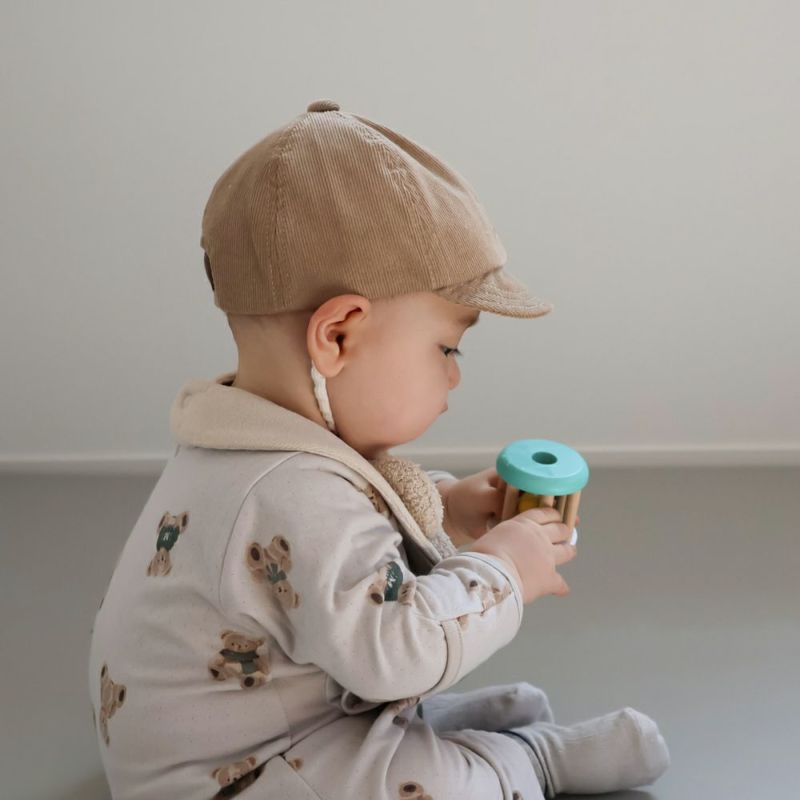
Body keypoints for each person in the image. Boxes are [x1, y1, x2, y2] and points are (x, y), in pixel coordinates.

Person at [88, 99, 670, 799]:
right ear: (337, 336)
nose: (455, 373)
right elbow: (398, 650)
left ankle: (443, 737)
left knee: (357, 711)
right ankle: (531, 761)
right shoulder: (290, 494)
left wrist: (444, 508)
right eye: (447, 347)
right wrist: (504, 570)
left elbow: (337, 552)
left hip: (248, 728)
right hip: (229, 779)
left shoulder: (245, 442)